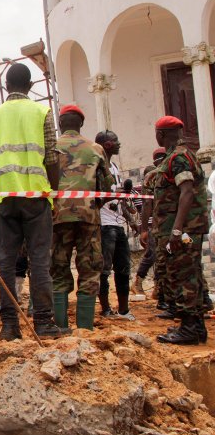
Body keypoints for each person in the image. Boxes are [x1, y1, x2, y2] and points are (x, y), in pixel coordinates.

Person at [0, 63, 65, 340]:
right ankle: (43, 323)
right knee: (39, 260)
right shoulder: (41, 112)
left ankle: (9, 326)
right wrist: (53, 194)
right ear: (30, 86)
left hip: (6, 197)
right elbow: (52, 159)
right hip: (36, 196)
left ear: (6, 87)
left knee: (6, 263)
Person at [50, 106, 113, 330]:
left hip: (57, 217)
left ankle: (60, 328)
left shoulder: (50, 147)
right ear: (81, 125)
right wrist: (94, 206)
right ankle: (85, 329)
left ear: (60, 124)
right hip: (89, 217)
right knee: (90, 268)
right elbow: (107, 187)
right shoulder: (95, 149)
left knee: (57, 269)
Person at [152, 116, 209, 344]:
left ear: (161, 134)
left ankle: (189, 329)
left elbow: (186, 192)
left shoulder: (178, 157)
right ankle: (195, 327)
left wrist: (176, 230)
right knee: (189, 275)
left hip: (183, 230)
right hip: (186, 228)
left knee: (182, 275)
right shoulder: (180, 156)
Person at [95, 130, 137, 320]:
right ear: (106, 145)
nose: (119, 144)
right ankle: (105, 310)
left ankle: (124, 310)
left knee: (123, 268)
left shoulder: (113, 167)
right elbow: (97, 197)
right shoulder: (98, 167)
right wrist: (117, 193)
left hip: (117, 226)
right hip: (104, 225)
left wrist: (132, 221)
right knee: (103, 269)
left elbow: (119, 202)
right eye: (115, 141)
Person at [134, 148, 166, 298]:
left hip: (166, 223)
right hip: (155, 224)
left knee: (163, 256)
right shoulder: (152, 177)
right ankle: (138, 282)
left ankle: (159, 288)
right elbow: (146, 204)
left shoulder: (170, 174)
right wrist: (144, 229)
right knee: (152, 254)